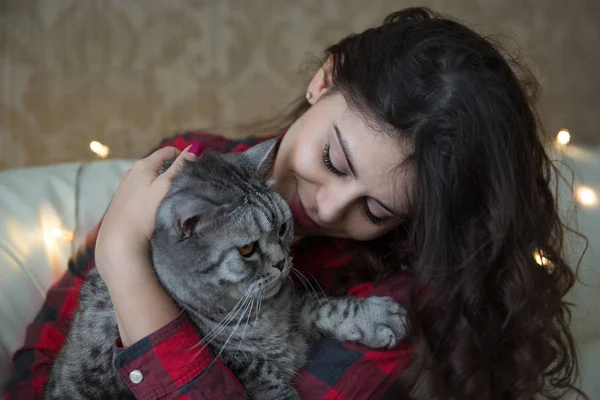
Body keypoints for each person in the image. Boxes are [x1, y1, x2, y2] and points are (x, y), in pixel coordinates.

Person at [5, 7, 585, 400]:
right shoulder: (185, 166)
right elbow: (45, 351)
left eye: (376, 211)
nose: (331, 208)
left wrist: (128, 267)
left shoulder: (407, 303)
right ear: (323, 81)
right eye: (335, 160)